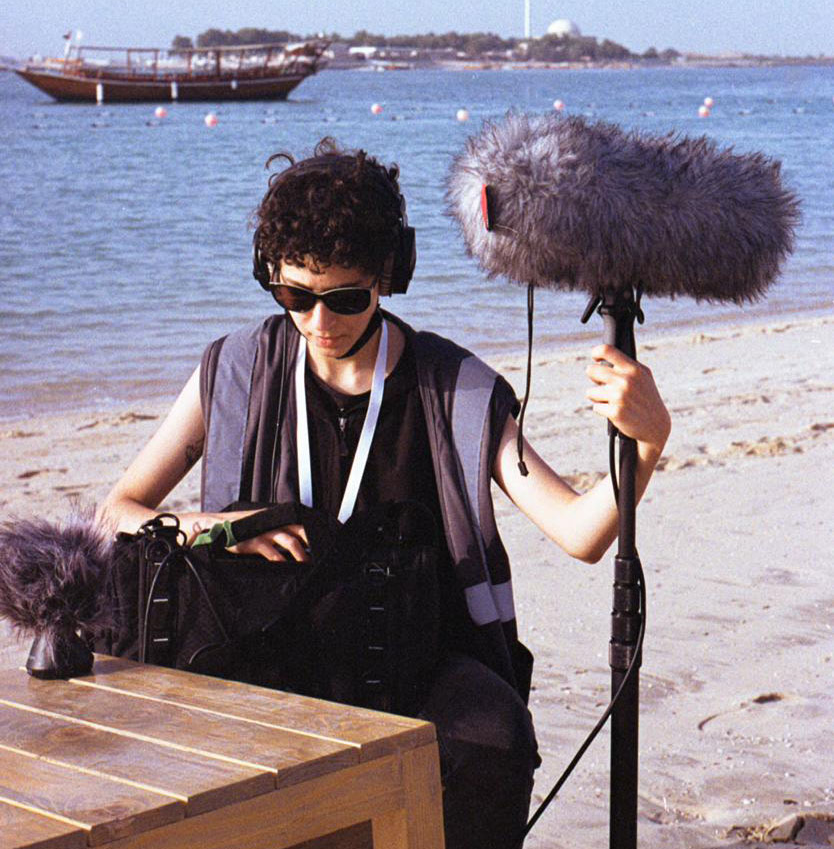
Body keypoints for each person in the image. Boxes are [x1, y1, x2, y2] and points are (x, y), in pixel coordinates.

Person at [101, 139, 671, 849]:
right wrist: (209, 528)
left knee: (493, 737)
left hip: (413, 663)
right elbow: (118, 512)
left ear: (389, 276)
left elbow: (582, 534)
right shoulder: (236, 369)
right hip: (266, 649)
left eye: (343, 298)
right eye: (293, 296)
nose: (318, 323)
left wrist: (645, 445)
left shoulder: (453, 389)